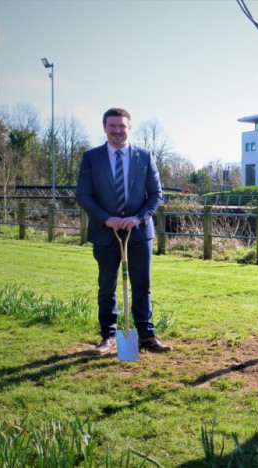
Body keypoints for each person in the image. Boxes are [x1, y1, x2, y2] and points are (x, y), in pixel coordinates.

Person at [76, 108, 172, 355]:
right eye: (113, 126)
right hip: (105, 233)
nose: (118, 131)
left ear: (130, 128)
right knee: (107, 285)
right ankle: (108, 337)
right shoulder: (92, 158)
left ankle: (146, 335)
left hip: (138, 234)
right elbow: (83, 194)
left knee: (142, 285)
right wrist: (105, 218)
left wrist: (138, 217)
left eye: (122, 126)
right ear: (105, 128)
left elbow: (156, 195)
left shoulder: (145, 156)